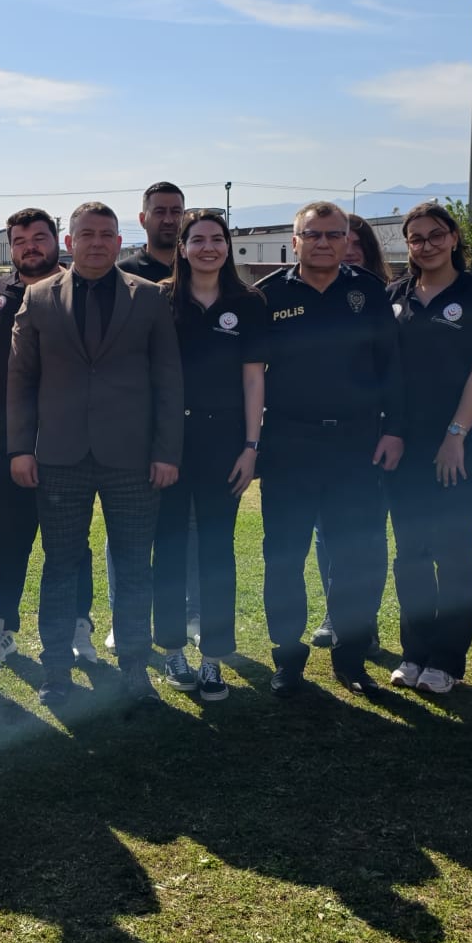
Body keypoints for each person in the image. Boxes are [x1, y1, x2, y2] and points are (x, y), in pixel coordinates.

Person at [10, 201, 183, 704]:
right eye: (86, 234)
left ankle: (135, 668)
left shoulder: (149, 297)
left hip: (132, 458)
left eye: (107, 234)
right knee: (61, 565)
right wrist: (20, 448)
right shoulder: (39, 298)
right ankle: (56, 670)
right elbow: (21, 381)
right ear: (69, 242)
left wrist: (166, 452)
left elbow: (168, 380)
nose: (97, 242)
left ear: (120, 241)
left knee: (133, 567)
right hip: (59, 457)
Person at [256, 201, 404, 697]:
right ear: (294, 241)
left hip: (356, 444)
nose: (323, 242)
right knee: (283, 557)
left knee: (355, 556)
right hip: (289, 443)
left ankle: (351, 658)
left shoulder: (369, 292)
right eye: (313, 234)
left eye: (333, 234)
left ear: (346, 240)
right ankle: (287, 659)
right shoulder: (269, 295)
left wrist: (394, 429)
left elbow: (392, 366)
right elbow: (250, 374)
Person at [384, 201, 472, 695]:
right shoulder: (395, 296)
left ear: (453, 237)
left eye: (436, 235)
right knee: (410, 552)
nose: (426, 245)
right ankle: (414, 653)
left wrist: (455, 437)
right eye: (416, 238)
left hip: (461, 446)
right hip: (404, 449)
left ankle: (447, 660)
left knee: (452, 550)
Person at [0, 209, 95, 664]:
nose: (30, 247)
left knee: (72, 540)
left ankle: (79, 625)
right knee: (9, 535)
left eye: (39, 237)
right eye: (20, 240)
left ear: (57, 240)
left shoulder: (82, 292)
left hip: (70, 440)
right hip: (6, 442)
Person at [151, 210, 264, 700]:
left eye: (217, 239)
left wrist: (251, 447)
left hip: (225, 442)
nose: (208, 248)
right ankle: (173, 650)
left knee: (218, 551)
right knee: (169, 548)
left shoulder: (248, 302)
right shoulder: (159, 299)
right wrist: (156, 447)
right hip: (170, 443)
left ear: (228, 246)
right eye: (197, 240)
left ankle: (213, 658)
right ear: (182, 247)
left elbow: (254, 379)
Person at [307, 211, 391, 650]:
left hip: (372, 436)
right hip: (320, 440)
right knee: (326, 533)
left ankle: (365, 620)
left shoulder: (380, 297)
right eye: (341, 242)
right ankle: (335, 612)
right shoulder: (313, 295)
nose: (345, 252)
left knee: (368, 533)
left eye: (355, 246)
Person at [119, 181, 185, 282]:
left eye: (175, 212)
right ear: (142, 220)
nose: (168, 220)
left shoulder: (198, 269)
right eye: (159, 212)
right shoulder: (122, 274)